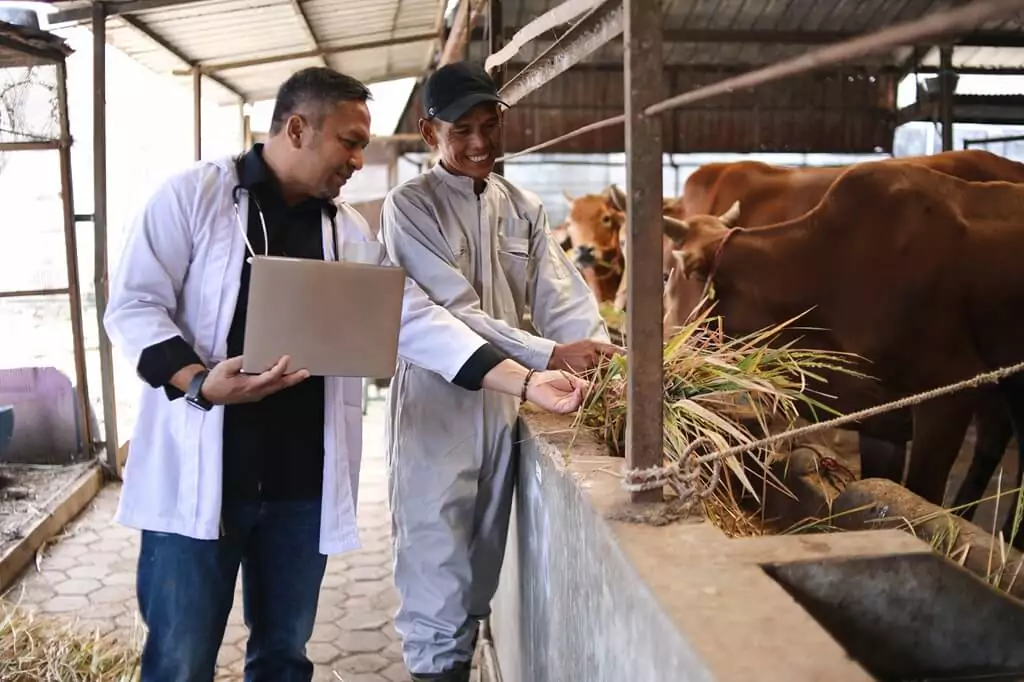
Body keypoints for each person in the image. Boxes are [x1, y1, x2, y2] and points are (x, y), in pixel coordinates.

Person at [103, 66, 590, 682]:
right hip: (204, 473)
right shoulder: (194, 196)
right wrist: (198, 381)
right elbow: (133, 306)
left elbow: (411, 319)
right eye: (351, 142)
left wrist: (525, 381)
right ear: (299, 128)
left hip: (299, 485)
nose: (360, 161)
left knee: (284, 656)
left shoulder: (348, 230)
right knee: (180, 658)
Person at [380, 61, 620, 682]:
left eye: (491, 125)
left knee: (482, 564)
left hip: (508, 405)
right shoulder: (410, 207)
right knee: (435, 564)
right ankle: (438, 671)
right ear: (428, 130)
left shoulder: (524, 207)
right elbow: (453, 312)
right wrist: (546, 356)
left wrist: (597, 358)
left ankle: (460, 661)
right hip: (437, 407)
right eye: (463, 129)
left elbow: (562, 297)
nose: (481, 142)